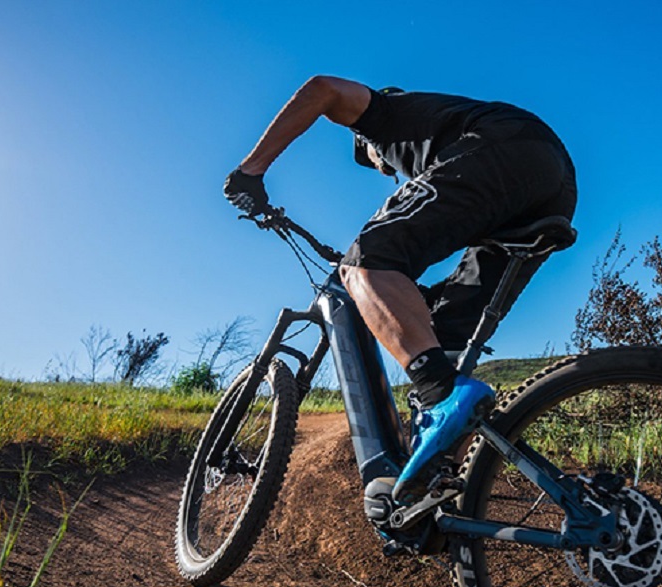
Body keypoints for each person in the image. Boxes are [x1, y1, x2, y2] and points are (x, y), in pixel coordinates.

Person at [224, 76, 577, 506]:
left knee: (366, 262)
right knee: (445, 338)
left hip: (503, 147)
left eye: (376, 164)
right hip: (553, 187)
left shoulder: (387, 116)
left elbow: (322, 89)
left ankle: (438, 395)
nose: (387, 172)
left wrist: (251, 170)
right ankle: (437, 493)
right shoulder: (441, 128)